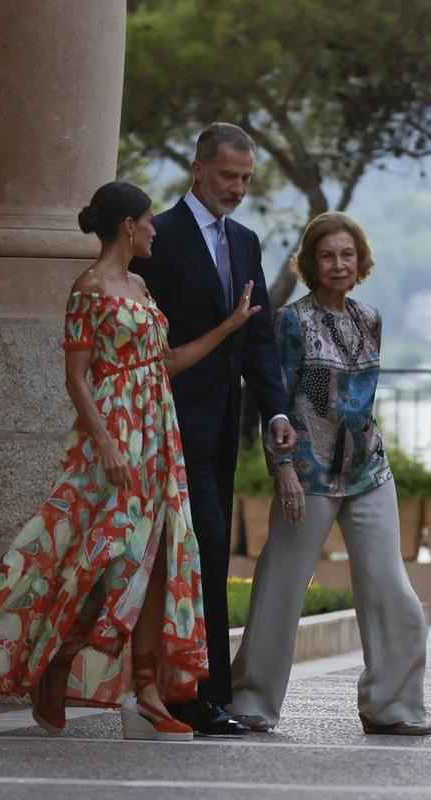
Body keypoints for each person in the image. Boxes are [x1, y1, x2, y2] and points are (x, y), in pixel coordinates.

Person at [0, 181, 263, 742]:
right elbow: (76, 378)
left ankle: (143, 695)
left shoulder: (140, 285)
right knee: (105, 561)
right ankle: (56, 664)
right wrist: (110, 445)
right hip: (114, 434)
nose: (155, 231)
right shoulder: (89, 287)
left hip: (159, 432)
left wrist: (229, 328)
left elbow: (163, 362)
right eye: (148, 222)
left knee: (159, 560)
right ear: (128, 228)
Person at [227, 212, 431, 736]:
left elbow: (361, 402)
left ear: (360, 262)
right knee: (281, 586)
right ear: (311, 264)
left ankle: (393, 706)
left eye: (347, 255)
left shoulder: (371, 318)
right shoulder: (291, 322)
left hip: (368, 472)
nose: (338, 264)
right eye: (327, 255)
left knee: (393, 588)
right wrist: (282, 471)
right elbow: (274, 400)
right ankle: (250, 700)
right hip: (308, 475)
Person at [130, 122, 297, 736]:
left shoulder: (248, 241)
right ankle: (193, 699)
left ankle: (202, 695)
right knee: (194, 553)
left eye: (247, 178)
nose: (238, 188)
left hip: (225, 429)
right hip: (166, 426)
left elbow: (258, 340)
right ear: (198, 170)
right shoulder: (160, 237)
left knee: (210, 553)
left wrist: (276, 412)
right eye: (228, 176)